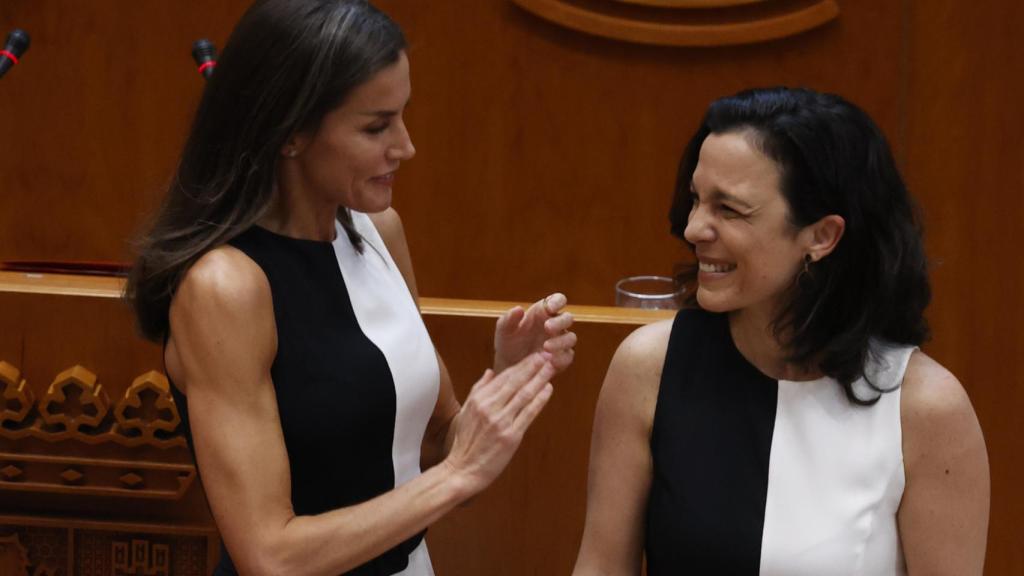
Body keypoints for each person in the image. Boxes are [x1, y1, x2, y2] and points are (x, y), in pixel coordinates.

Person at [125, 1, 576, 574]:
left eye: (401, 116)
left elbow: (439, 443)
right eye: (376, 126)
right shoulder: (225, 287)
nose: (406, 146)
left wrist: (509, 377)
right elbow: (270, 556)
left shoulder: (378, 231)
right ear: (290, 133)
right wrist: (457, 476)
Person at [572, 87, 989, 575]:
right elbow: (601, 567)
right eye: (696, 200)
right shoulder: (649, 367)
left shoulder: (926, 408)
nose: (693, 229)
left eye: (729, 209)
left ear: (821, 236)